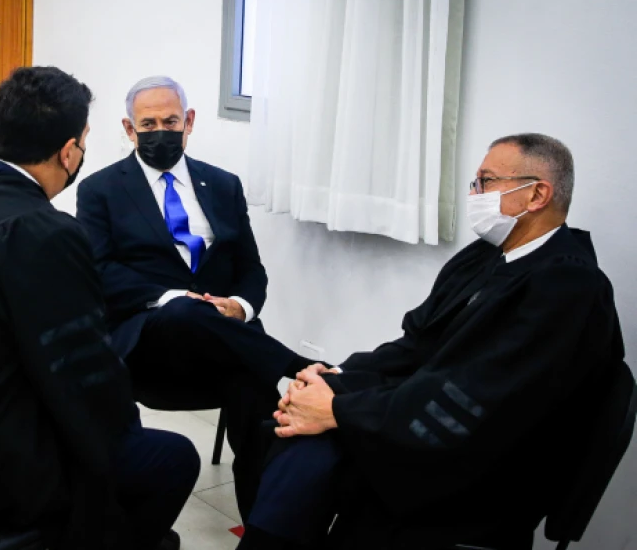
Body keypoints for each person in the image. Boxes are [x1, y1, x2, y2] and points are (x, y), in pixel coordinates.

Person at [239, 134, 625, 550]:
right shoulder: (484, 256)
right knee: (291, 433)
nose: (474, 194)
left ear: (537, 195)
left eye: (486, 181)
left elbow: (479, 400)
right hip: (429, 420)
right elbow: (415, 345)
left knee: (308, 453)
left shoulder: (569, 288)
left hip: (485, 470)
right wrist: (335, 378)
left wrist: (338, 411)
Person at [0, 67, 199, 550]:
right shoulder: (44, 234)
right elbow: (84, 377)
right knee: (171, 457)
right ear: (68, 152)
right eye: (83, 142)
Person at [76, 75, 314, 516]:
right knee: (184, 310)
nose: (160, 132)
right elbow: (100, 272)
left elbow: (250, 269)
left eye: (170, 121)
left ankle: (263, 527)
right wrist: (173, 297)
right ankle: (297, 366)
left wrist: (239, 307)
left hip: (222, 342)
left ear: (188, 121)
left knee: (260, 407)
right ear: (129, 129)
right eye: (148, 125)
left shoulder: (223, 185)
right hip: (149, 342)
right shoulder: (100, 190)